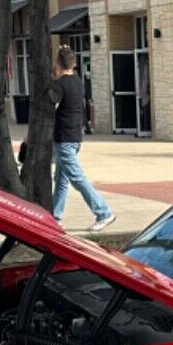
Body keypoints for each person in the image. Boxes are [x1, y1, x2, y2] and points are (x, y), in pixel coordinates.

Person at [49, 46, 114, 232]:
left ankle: (104, 212)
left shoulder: (60, 85)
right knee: (61, 178)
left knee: (76, 178)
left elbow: (51, 106)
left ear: (58, 64)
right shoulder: (77, 82)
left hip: (63, 138)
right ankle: (55, 217)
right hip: (75, 137)